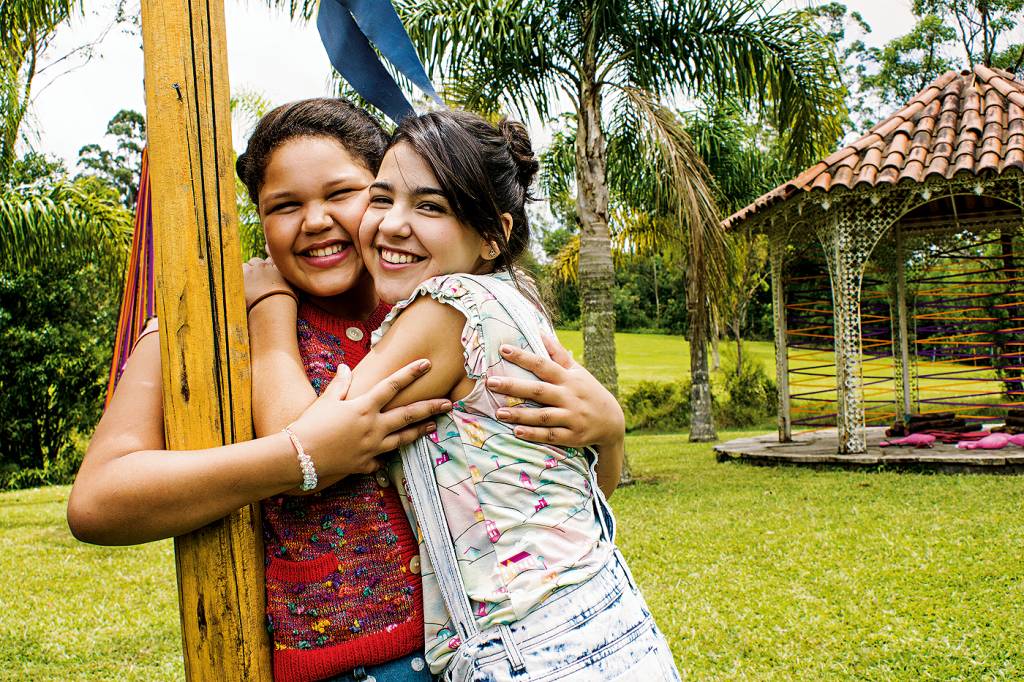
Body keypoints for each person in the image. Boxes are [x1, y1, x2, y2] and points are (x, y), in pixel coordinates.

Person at [69, 98, 626, 682]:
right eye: (284, 206)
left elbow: (552, 494)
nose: (314, 221)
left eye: (343, 194)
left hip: (480, 656)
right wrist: (290, 454)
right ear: (258, 218)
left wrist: (608, 430)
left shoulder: (443, 307)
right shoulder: (202, 334)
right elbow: (97, 502)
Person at [247, 109, 675, 681]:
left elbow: (301, 445)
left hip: (532, 651)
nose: (393, 225)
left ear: (493, 236)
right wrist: (612, 432)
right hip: (611, 619)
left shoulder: (443, 311)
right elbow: (579, 490)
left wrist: (270, 307)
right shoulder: (516, 302)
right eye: (383, 197)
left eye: (430, 207)